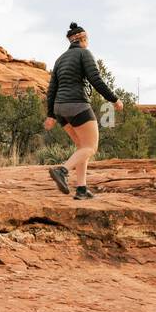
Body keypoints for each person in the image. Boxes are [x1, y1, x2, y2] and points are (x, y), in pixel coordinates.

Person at [43, 22, 123, 199]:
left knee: (81, 147)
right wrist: (113, 98)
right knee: (91, 147)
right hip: (77, 104)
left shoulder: (60, 59)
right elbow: (96, 79)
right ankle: (62, 171)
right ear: (83, 39)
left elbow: (51, 89)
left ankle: (81, 189)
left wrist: (50, 114)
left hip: (60, 109)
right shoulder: (84, 53)